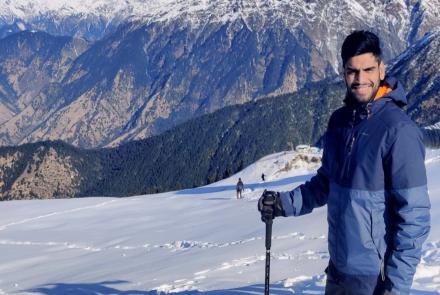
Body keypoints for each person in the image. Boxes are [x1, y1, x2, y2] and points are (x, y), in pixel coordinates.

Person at [258, 30, 430, 295]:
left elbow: (414, 220)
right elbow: (325, 183)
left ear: (381, 69)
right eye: (352, 71)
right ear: (343, 73)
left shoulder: (398, 132)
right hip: (337, 272)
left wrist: (395, 289)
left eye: (368, 69)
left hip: (375, 279)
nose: (360, 79)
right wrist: (284, 204)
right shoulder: (340, 122)